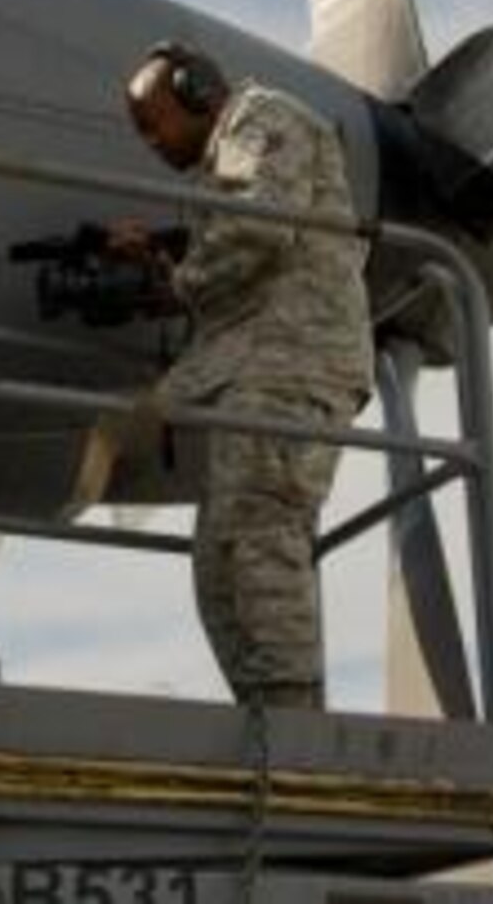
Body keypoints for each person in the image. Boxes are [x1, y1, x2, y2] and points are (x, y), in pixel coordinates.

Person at [113, 40, 373, 710]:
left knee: (257, 538)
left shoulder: (264, 118)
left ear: (199, 92)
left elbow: (259, 227)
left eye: (153, 119)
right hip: (254, 365)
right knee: (217, 563)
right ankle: (264, 710)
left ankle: (292, 724)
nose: (149, 140)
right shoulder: (223, 160)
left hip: (294, 362)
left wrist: (179, 280)